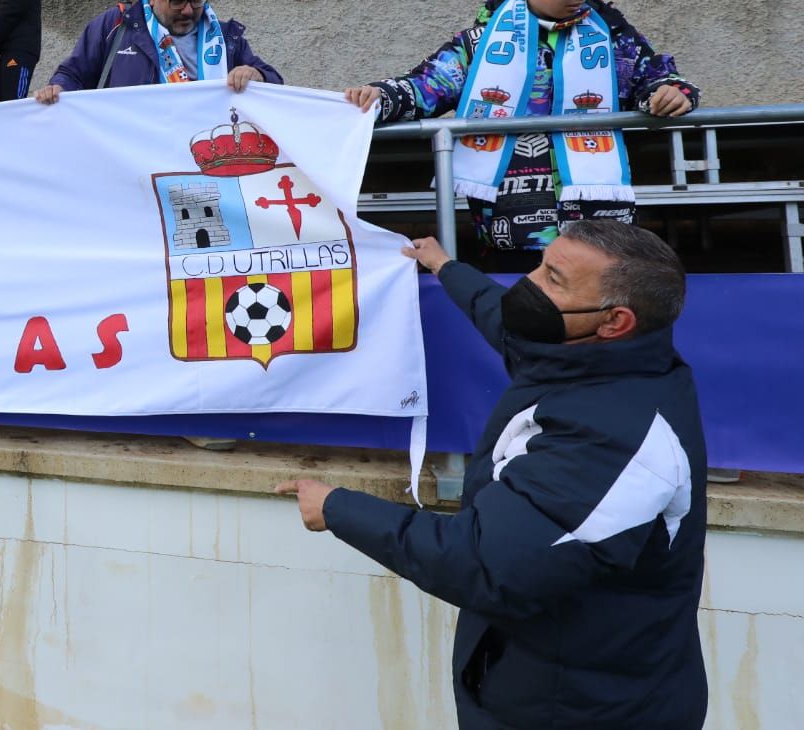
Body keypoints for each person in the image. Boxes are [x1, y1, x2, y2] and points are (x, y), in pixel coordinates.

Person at [278, 220, 706, 730]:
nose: (529, 284)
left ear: (614, 321)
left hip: (586, 710)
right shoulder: (588, 355)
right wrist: (444, 266)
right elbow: (502, 318)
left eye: (553, 279)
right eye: (542, 264)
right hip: (535, 685)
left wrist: (336, 508)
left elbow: (486, 565)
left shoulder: (615, 439)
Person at [343, 0, 698, 265]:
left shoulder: (613, 36)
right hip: (512, 238)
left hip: (603, 240)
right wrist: (381, 96)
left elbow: (654, 78)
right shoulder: (481, 43)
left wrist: (671, 92)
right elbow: (426, 86)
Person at [35, 0, 282, 103]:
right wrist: (58, 89)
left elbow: (274, 84)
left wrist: (256, 75)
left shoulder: (225, 38)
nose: (187, 10)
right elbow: (74, 74)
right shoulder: (117, 26)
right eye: (176, 1)